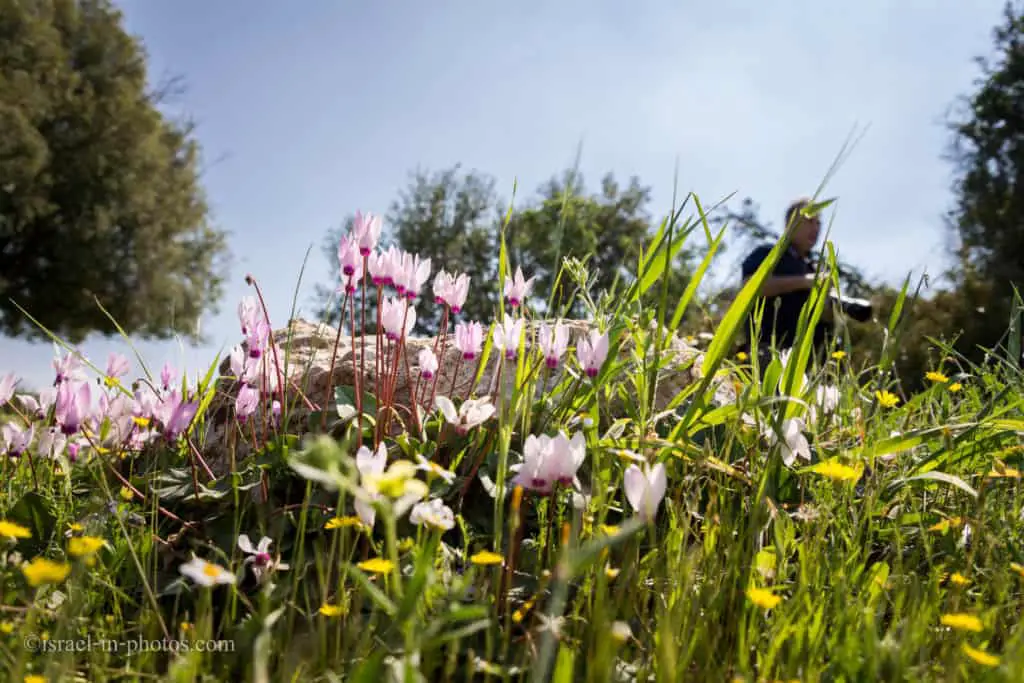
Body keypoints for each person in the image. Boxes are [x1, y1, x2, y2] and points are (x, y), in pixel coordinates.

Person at [739, 197, 834, 360]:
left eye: (819, 223)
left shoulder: (816, 265)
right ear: (790, 224)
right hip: (770, 352)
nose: (815, 228)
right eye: (809, 221)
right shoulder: (770, 253)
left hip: (810, 358)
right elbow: (750, 287)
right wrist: (807, 282)